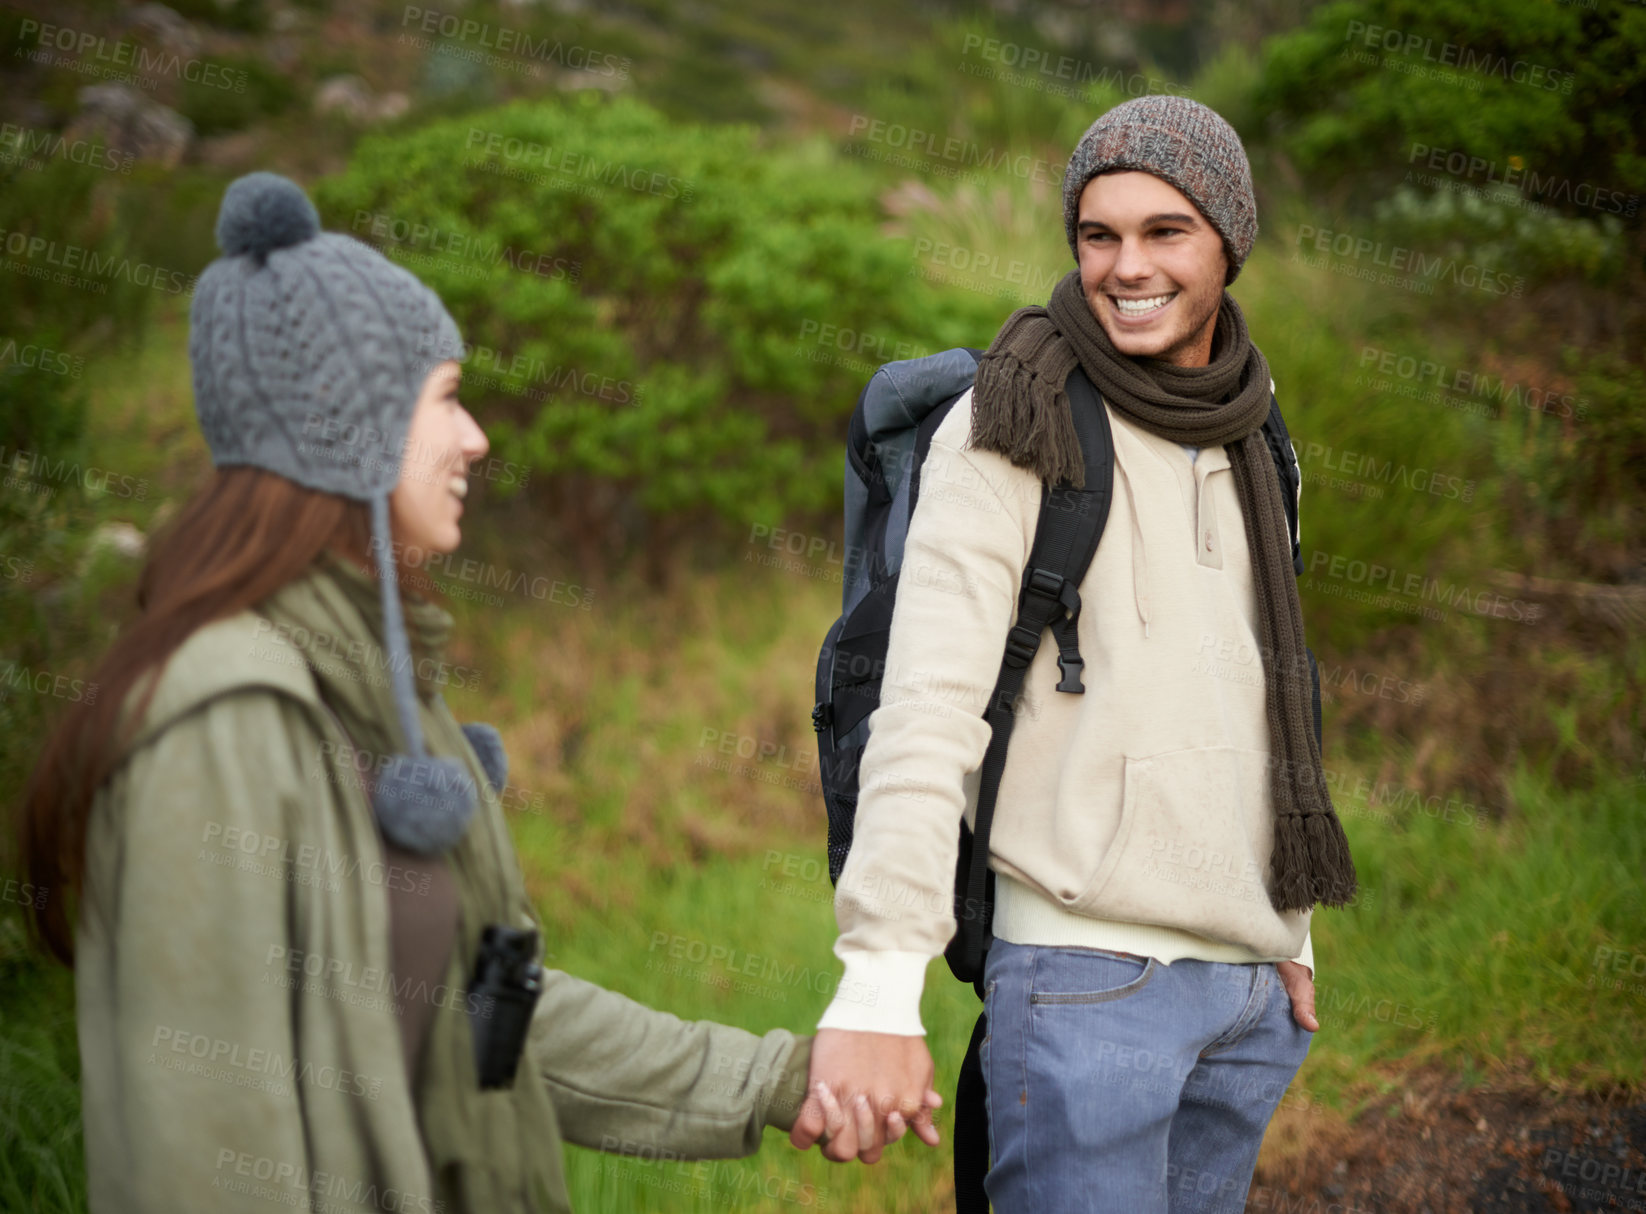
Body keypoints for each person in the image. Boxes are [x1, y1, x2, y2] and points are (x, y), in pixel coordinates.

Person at [17, 171, 835, 1213]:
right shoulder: (227, 719)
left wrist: (770, 1076)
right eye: (446, 397)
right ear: (344, 427)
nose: (476, 437)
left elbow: (487, 1012)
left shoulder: (375, 694)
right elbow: (209, 1145)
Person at [790, 96, 1359, 1211]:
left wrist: (1284, 930)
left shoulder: (1255, 427)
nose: (1124, 266)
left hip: (1243, 995)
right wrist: (876, 985)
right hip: (1084, 985)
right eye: (1097, 234)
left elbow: (1261, 695)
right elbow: (927, 709)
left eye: (1163, 232)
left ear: (1227, 242)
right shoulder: (1014, 418)